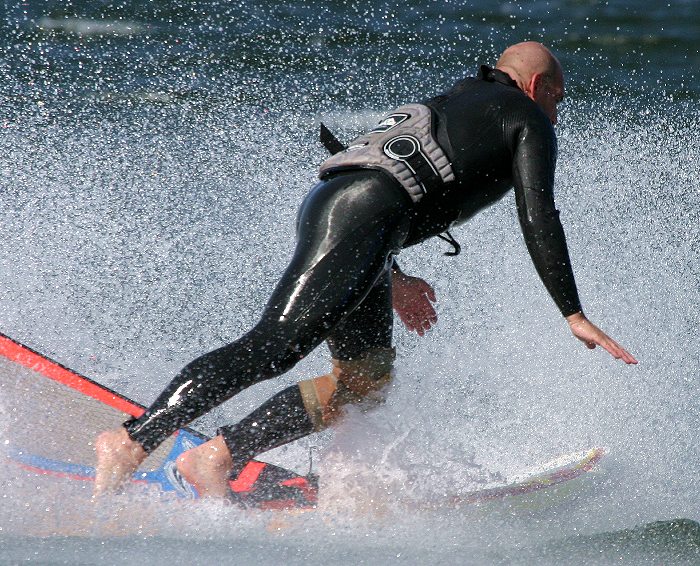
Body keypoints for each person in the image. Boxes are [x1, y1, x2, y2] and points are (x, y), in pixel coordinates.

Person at [94, 41, 637, 499]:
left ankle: (216, 455)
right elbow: (538, 210)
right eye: (557, 99)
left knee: (365, 379)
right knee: (276, 344)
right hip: (362, 215)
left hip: (352, 210)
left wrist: (390, 274)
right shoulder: (526, 117)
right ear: (536, 84)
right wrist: (573, 311)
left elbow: (397, 179)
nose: (558, 113)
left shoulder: (464, 100)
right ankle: (133, 439)